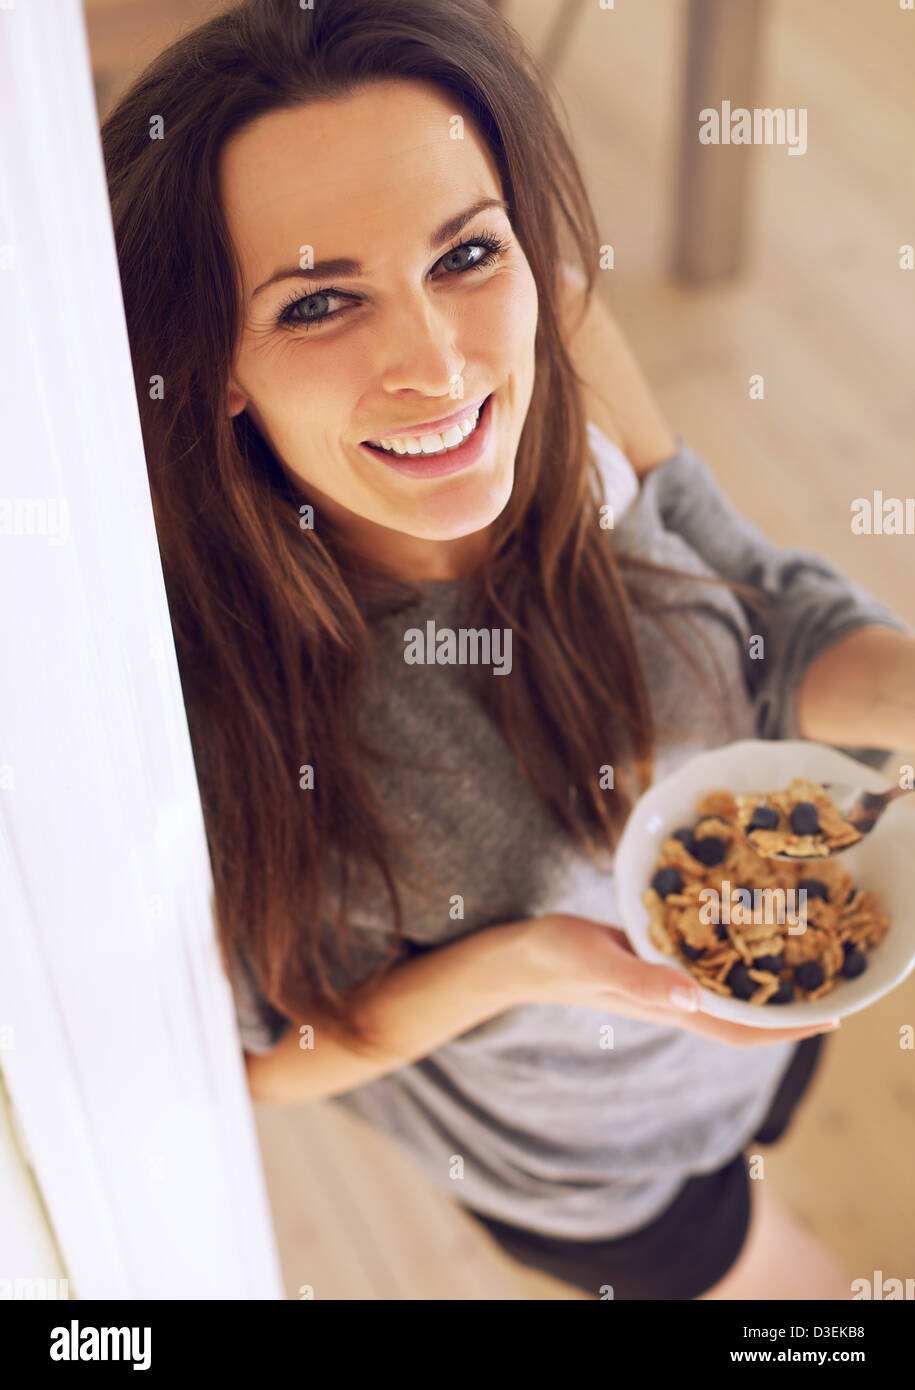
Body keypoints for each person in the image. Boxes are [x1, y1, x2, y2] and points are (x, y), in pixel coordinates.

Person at [101, 0, 913, 1299]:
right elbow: (253, 1054)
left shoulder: (567, 340)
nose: (436, 361)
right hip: (594, 1178)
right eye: (318, 301)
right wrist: (519, 960)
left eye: (467, 254)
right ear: (220, 366)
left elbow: (760, 601)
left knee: (763, 1148)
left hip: (770, 1018)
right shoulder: (209, 703)